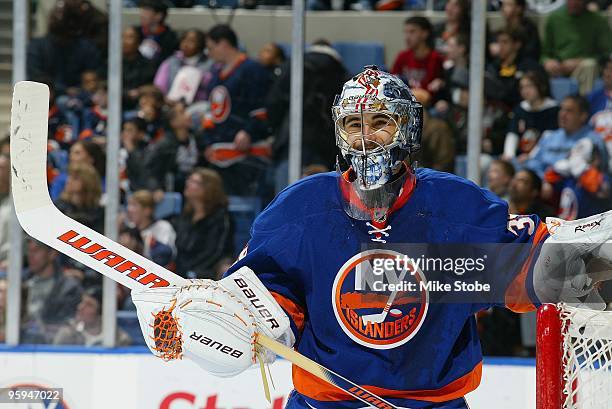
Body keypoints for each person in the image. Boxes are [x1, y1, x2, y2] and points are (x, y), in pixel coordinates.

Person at [133, 67, 612, 409]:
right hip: (325, 405)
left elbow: (527, 275)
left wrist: (603, 273)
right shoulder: (300, 209)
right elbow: (267, 307)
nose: (365, 137)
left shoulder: (454, 207)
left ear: (407, 128)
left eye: (381, 122)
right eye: (353, 124)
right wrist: (207, 334)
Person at [199, 24, 271, 196]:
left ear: (223, 44)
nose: (209, 53)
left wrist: (248, 131)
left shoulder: (252, 70)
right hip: (219, 153)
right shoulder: (215, 75)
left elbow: (261, 107)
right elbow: (212, 112)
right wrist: (208, 141)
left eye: (211, 47)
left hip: (245, 157)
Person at [524, 95, 606, 178]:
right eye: (561, 109)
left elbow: (597, 174)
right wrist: (543, 180)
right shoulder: (549, 137)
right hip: (542, 185)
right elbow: (534, 163)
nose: (562, 114)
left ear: (583, 116)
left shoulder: (594, 141)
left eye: (569, 111)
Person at [172, 168, 234, 279]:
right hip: (181, 270)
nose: (187, 183)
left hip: (207, 272)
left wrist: (190, 272)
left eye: (194, 181)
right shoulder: (186, 215)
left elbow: (215, 252)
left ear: (208, 188)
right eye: (188, 180)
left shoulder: (221, 217)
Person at [542, 0, 612, 94]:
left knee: (589, 65)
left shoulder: (598, 20)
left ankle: (583, 105)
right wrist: (547, 61)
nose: (573, 3)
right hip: (560, 67)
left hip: (587, 67)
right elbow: (544, 53)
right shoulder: (554, 18)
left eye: (577, 1)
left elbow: (606, 54)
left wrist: (580, 61)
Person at [22, 239, 83, 344]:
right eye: (29, 251)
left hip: (53, 346)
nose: (30, 256)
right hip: (22, 342)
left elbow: (67, 322)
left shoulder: (69, 287)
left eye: (36, 251)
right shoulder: (21, 282)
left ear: (52, 254)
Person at [502, 70, 559, 162]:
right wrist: (509, 154)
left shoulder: (553, 110)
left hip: (541, 157)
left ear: (542, 86)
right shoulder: (520, 108)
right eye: (522, 87)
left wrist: (531, 156)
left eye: (529, 86)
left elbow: (549, 138)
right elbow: (513, 133)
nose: (525, 91)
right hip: (519, 157)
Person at [54, 287, 131, 346]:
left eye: (89, 305)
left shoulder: (119, 338)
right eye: (82, 302)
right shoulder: (68, 334)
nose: (80, 307)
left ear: (101, 311)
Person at [154, 29, 213, 104]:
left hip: (197, 105)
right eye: (184, 39)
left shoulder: (210, 64)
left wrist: (200, 78)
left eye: (191, 41)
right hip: (169, 103)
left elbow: (211, 88)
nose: (185, 44)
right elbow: (159, 86)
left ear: (201, 45)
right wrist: (165, 99)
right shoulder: (171, 61)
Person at [391, 17, 444, 100]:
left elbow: (431, 92)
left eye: (412, 32)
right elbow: (392, 83)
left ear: (424, 34)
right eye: (406, 32)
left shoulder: (435, 58)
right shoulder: (402, 56)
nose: (407, 37)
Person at [122, 26, 157, 110]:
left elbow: (151, 88)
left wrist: (140, 91)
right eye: (123, 37)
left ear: (138, 42)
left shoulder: (148, 65)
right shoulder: (111, 63)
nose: (124, 41)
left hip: (139, 106)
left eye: (129, 37)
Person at [136, 0, 179, 67]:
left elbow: (167, 62)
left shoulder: (170, 38)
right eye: (142, 10)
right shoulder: (135, 33)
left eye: (146, 11)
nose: (142, 14)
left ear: (158, 16)